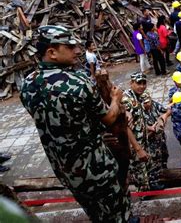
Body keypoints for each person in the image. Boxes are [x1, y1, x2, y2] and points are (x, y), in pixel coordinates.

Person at [20, 25, 130, 222]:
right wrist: (115, 98)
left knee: (93, 211)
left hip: (65, 169)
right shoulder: (78, 82)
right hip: (95, 168)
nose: (77, 51)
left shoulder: (28, 83)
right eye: (69, 47)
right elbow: (109, 118)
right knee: (117, 212)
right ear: (52, 52)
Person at [122, 72, 151, 191]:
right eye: (139, 83)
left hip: (142, 140)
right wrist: (138, 149)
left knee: (145, 168)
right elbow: (125, 127)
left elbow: (137, 119)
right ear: (131, 83)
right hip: (134, 146)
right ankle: (144, 196)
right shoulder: (127, 100)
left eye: (144, 83)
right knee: (140, 173)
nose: (142, 86)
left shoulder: (138, 96)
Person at [141, 91, 170, 190]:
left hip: (160, 139)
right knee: (153, 164)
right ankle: (154, 183)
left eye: (148, 102)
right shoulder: (139, 113)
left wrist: (163, 118)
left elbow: (167, 110)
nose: (147, 104)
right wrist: (151, 129)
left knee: (164, 157)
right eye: (144, 103)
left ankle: (164, 173)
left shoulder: (154, 105)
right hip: (150, 144)